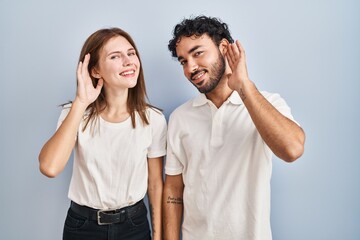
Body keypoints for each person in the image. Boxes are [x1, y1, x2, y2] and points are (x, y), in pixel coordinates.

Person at [163, 16, 306, 240]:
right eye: (183, 61)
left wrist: (244, 86)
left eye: (197, 53)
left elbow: (293, 149)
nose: (190, 67)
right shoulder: (180, 118)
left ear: (224, 48)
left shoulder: (266, 104)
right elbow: (173, 188)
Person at [39, 27, 166, 240]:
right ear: (95, 70)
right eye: (115, 56)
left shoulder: (153, 119)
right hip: (83, 227)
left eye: (131, 53)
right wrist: (81, 102)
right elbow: (49, 167)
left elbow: (155, 184)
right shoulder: (75, 113)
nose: (128, 61)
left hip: (134, 226)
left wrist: (159, 236)